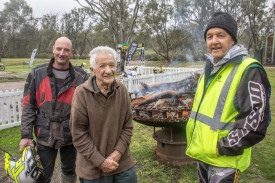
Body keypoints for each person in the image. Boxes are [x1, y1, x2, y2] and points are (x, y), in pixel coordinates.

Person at [185, 12, 271, 183]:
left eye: (220, 35)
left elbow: (256, 123)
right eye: (209, 36)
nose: (214, 41)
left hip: (225, 160)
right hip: (202, 154)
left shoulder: (248, 69)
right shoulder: (210, 68)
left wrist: (221, 147)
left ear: (233, 39)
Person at [19, 37, 89, 183]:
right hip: (44, 133)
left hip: (71, 134)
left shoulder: (81, 76)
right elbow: (28, 106)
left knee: (70, 172)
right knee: (42, 175)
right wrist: (26, 135)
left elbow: (89, 107)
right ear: (53, 49)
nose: (62, 53)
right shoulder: (37, 73)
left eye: (66, 50)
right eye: (58, 49)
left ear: (72, 52)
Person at [70, 46, 137, 183]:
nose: (108, 70)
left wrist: (117, 153)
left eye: (112, 65)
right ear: (92, 70)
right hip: (92, 168)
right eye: (103, 66)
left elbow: (128, 126)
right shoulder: (82, 93)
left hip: (122, 164)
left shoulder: (122, 90)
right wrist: (101, 161)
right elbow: (78, 133)